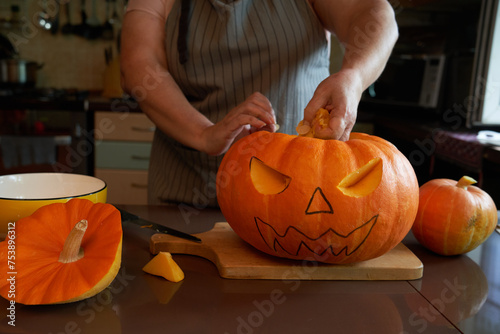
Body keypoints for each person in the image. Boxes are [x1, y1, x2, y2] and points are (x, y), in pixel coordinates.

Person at [120, 0, 398, 207]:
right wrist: (204, 134)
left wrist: (353, 77)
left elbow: (376, 15)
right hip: (185, 192)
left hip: (303, 194)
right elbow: (139, 64)